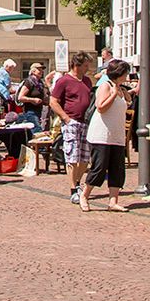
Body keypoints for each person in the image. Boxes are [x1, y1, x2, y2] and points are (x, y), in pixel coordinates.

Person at [83, 59, 132, 212]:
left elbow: (127, 103)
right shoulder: (106, 86)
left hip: (116, 134)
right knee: (99, 167)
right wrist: (113, 95)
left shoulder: (120, 88)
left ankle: (113, 201)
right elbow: (101, 107)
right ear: (119, 73)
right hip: (101, 134)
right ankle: (84, 195)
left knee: (117, 168)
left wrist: (125, 94)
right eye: (125, 73)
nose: (127, 76)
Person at [50, 53, 95, 204]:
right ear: (77, 65)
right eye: (86, 65)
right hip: (72, 121)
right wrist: (66, 118)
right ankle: (73, 189)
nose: (88, 68)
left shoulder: (87, 81)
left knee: (84, 157)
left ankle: (77, 183)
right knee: (72, 156)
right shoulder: (64, 81)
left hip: (86, 122)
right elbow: (53, 101)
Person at [16, 61, 48, 128]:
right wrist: (33, 100)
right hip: (30, 112)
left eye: (42, 70)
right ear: (33, 71)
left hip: (38, 111)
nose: (41, 71)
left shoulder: (40, 83)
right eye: (39, 70)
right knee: (36, 130)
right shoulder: (29, 82)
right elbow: (20, 97)